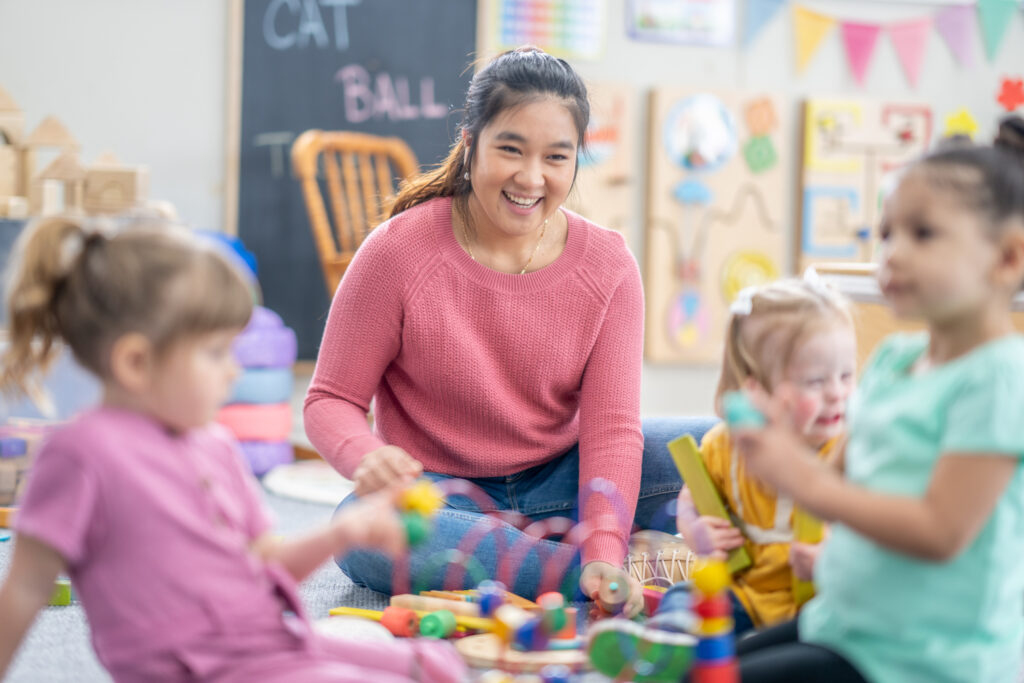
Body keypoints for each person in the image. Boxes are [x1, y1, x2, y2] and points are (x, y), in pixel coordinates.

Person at [303, 46, 714, 611]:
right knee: (361, 532)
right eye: (511, 149)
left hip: (566, 481)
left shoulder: (609, 264)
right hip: (442, 500)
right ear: (470, 144)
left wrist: (602, 536)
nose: (531, 177)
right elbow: (330, 399)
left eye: (556, 157)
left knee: (729, 444)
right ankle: (610, 575)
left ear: (575, 162)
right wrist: (361, 454)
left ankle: (590, 562)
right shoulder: (397, 252)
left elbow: (613, 429)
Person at [0, 216, 465, 683]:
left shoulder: (215, 446)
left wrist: (343, 533)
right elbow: (24, 587)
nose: (233, 373)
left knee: (433, 663)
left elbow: (267, 568)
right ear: (136, 362)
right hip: (207, 670)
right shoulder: (81, 454)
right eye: (216, 353)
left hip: (272, 641)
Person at [726, 117, 1024, 682]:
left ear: (1008, 259)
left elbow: (941, 532)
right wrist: (783, 446)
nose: (893, 253)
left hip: (922, 660)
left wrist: (809, 480)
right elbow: (836, 487)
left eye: (923, 234)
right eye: (886, 234)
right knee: (698, 667)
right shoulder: (893, 361)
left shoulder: (1000, 378)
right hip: (847, 623)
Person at [659, 277, 855, 637]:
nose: (837, 393)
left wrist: (835, 562)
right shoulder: (728, 447)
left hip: (817, 604)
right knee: (681, 598)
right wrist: (696, 530)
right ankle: (663, 649)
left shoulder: (853, 450)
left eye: (846, 376)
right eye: (815, 381)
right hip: (743, 593)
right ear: (755, 387)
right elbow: (689, 501)